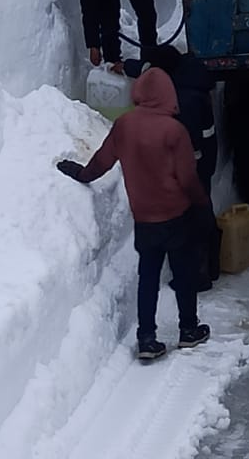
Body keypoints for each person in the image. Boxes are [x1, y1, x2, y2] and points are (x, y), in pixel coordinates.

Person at [57, 67, 211, 362]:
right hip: (176, 215)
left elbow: (102, 160)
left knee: (148, 277)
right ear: (168, 94)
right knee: (184, 272)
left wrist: (80, 173)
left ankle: (146, 338)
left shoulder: (125, 125)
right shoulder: (173, 130)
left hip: (145, 219)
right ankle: (189, 329)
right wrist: (202, 206)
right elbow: (188, 178)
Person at [149, 43, 221, 287]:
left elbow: (189, 141)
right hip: (204, 156)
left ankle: (198, 276)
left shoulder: (185, 98)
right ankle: (211, 267)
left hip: (194, 161)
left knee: (192, 216)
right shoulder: (188, 75)